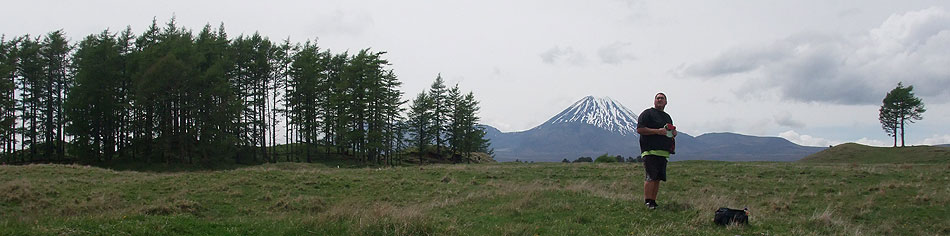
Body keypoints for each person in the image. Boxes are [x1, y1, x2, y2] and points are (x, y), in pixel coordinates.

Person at [637, 92, 676, 210]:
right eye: (657, 98)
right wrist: (657, 131)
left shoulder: (667, 117)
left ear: (666, 102)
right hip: (650, 151)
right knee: (651, 176)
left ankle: (653, 201)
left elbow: (668, 132)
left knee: (658, 178)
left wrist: (673, 133)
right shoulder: (647, 114)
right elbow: (640, 129)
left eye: (662, 98)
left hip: (663, 152)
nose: (659, 100)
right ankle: (647, 201)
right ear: (654, 101)